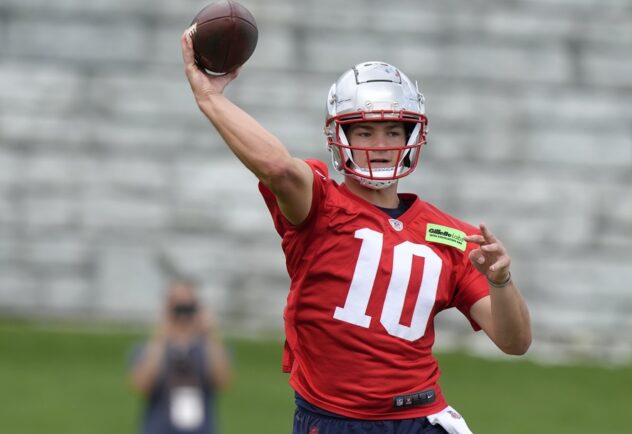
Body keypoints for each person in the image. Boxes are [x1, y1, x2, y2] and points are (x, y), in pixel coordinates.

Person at [181, 28, 531, 434]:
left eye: (392, 131)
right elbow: (277, 167)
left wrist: (502, 280)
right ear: (339, 137)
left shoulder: (451, 235)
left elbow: (514, 342)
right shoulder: (319, 206)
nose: (379, 144)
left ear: (412, 136)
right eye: (364, 131)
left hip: (421, 418)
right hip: (336, 420)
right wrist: (210, 98)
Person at [130, 280, 232, 434]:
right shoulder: (148, 348)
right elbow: (142, 385)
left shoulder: (209, 348)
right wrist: (161, 337)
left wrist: (210, 334)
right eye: (178, 307)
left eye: (188, 307)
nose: (183, 315)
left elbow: (223, 382)